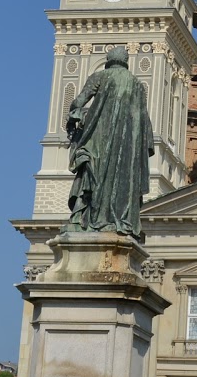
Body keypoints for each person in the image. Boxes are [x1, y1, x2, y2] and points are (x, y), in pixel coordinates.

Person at [65, 47, 154, 237]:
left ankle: (92, 217)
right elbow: (144, 121)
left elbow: (79, 101)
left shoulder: (100, 76)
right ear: (126, 61)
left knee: (94, 174)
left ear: (108, 60)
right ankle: (117, 218)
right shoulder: (138, 85)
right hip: (129, 146)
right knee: (121, 179)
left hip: (100, 137)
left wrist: (75, 113)